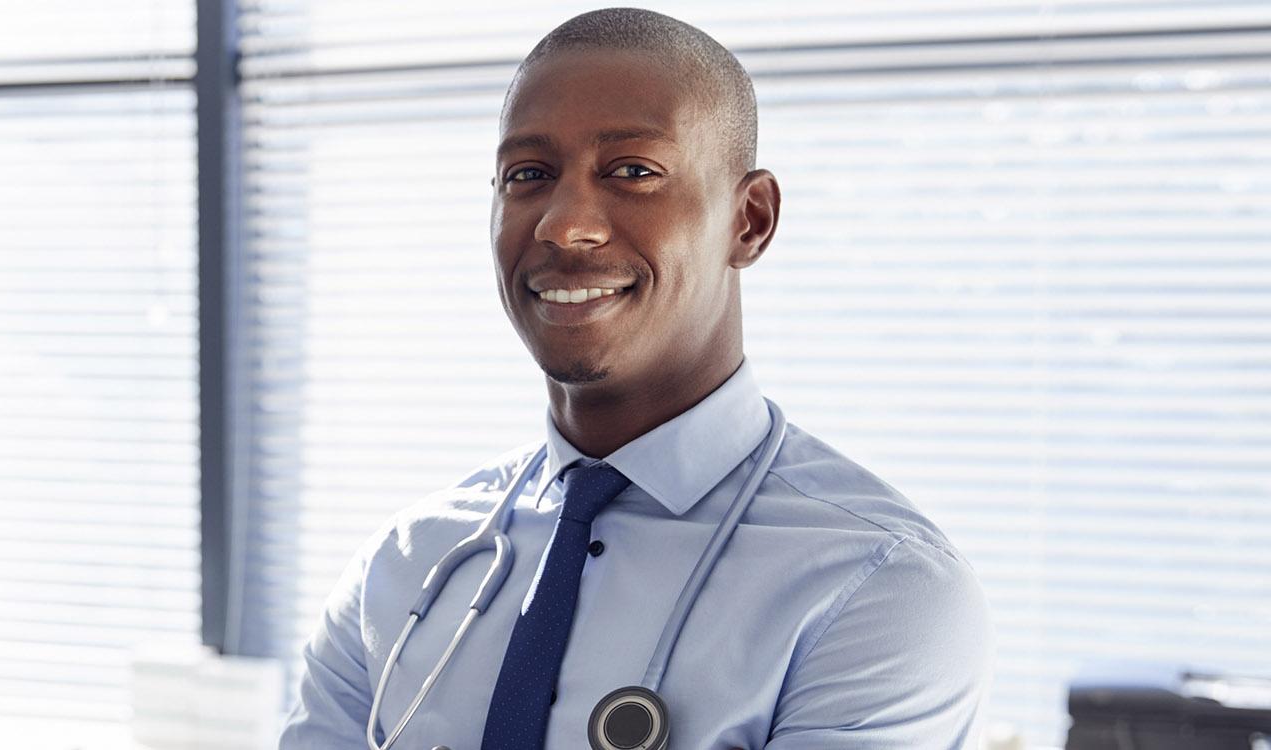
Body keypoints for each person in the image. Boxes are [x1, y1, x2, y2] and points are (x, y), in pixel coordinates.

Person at [278, 8, 991, 749]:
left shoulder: (877, 589)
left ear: (750, 221)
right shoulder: (402, 572)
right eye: (529, 175)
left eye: (633, 172)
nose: (564, 224)